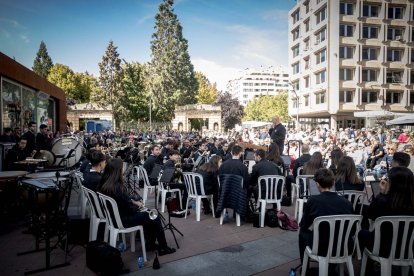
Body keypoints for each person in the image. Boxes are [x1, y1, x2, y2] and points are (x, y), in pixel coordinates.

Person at [98, 158, 176, 256]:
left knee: (148, 213)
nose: (124, 170)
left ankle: (150, 244)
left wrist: (134, 203)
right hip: (123, 219)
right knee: (154, 216)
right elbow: (128, 209)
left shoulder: (105, 183)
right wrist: (138, 208)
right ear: (118, 170)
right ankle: (163, 247)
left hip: (115, 217)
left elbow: (122, 201)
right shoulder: (117, 187)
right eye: (122, 168)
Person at [359, 167, 414, 262]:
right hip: (409, 248)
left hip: (383, 247)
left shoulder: (383, 201)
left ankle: (369, 265)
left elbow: (370, 215)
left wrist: (381, 193)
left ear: (392, 183)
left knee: (362, 233)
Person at [299, 168, 353, 263]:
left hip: (321, 247)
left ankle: (305, 267)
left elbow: (304, 224)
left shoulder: (313, 201)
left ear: (317, 184)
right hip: (344, 247)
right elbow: (352, 230)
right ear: (333, 183)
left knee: (302, 232)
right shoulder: (347, 202)